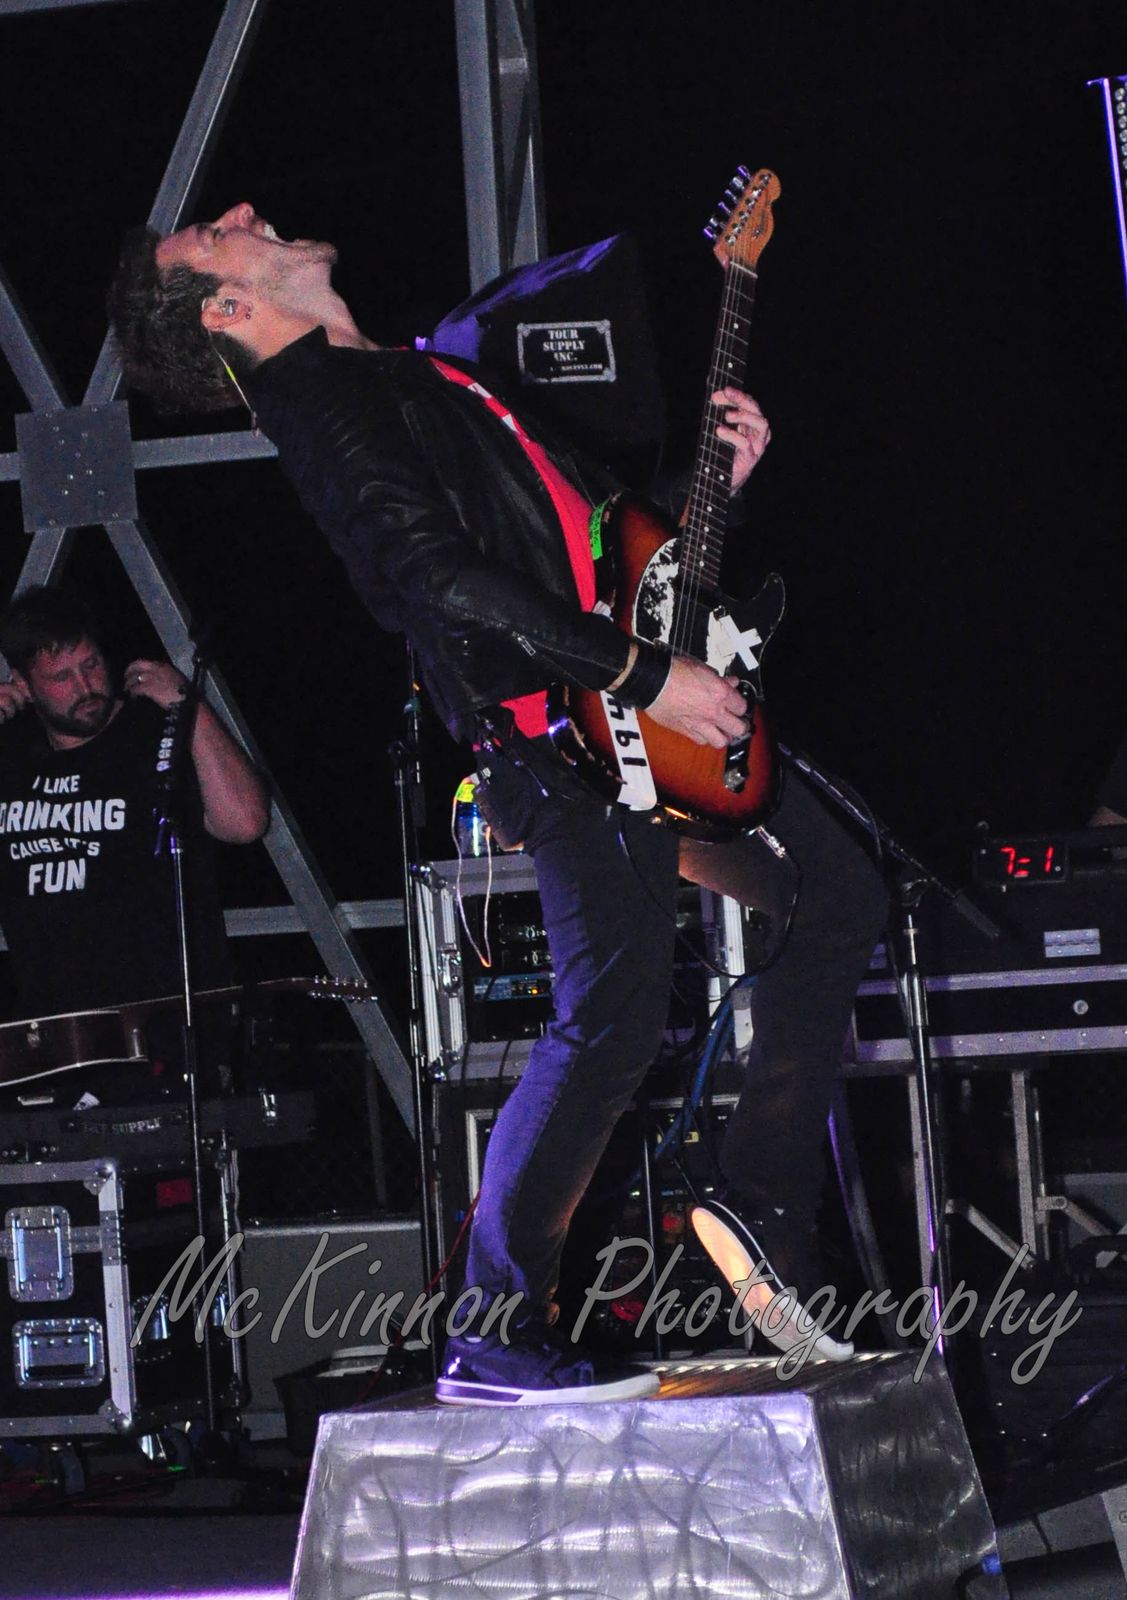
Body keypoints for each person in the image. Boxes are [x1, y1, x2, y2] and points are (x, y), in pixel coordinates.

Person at [108, 202, 889, 1404]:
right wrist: (645, 677)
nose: (247, 213)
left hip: (618, 710)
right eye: (216, 234)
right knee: (611, 1018)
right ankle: (489, 1330)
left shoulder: (405, 370)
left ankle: (763, 1203)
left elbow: (578, 540)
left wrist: (702, 495)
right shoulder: (321, 400)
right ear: (226, 308)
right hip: (561, 737)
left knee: (830, 894)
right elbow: (436, 578)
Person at [0, 587, 269, 1090]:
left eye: (91, 665)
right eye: (61, 677)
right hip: (51, 1040)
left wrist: (189, 707)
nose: (85, 686)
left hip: (162, 1036)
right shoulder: (12, 754)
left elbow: (245, 822)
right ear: (23, 684)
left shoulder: (153, 733)